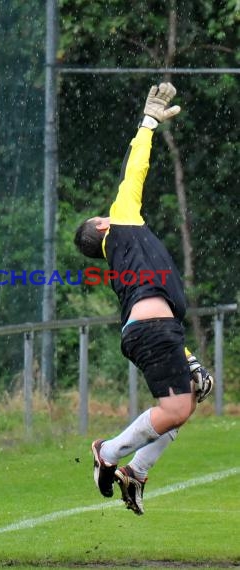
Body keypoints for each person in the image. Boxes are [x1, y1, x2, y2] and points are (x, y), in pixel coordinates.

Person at [74, 83, 214, 515]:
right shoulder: (121, 224)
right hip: (152, 330)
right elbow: (135, 171)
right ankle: (108, 452)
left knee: (185, 400)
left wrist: (187, 356)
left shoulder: (123, 256)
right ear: (101, 225)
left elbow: (154, 307)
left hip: (154, 330)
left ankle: (137, 471)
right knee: (175, 406)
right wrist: (148, 122)